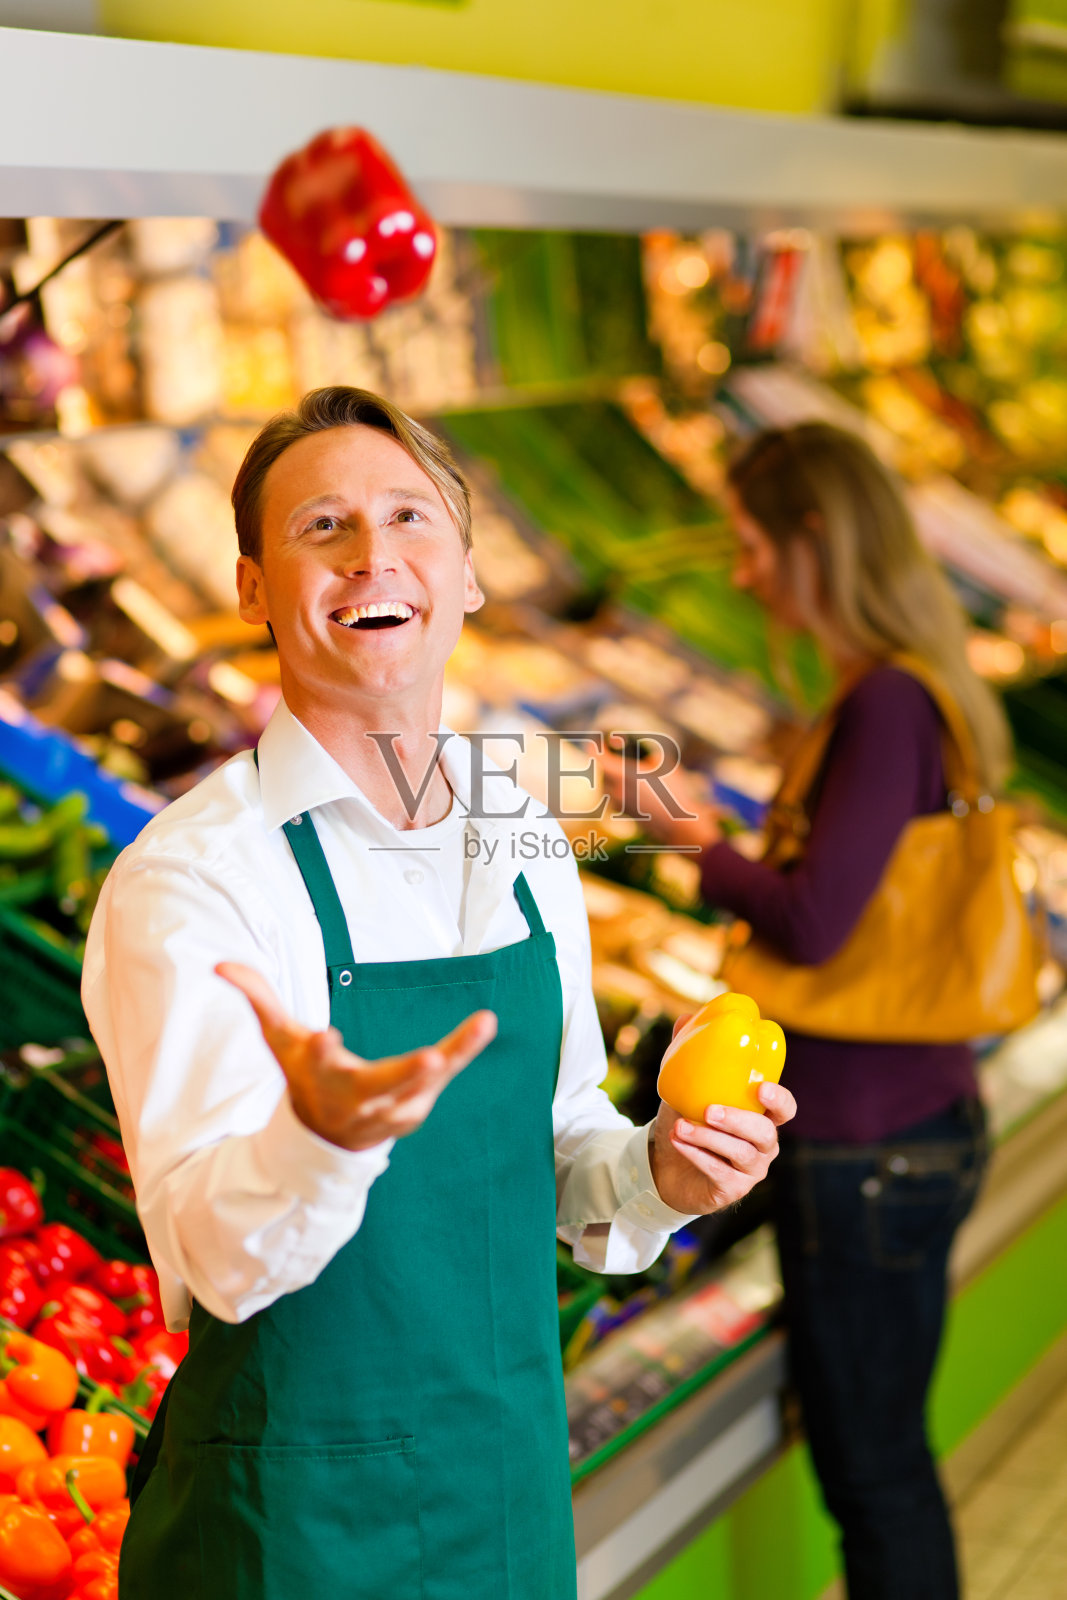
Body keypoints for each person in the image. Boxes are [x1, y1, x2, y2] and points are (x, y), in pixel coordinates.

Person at [82, 386, 797, 1600]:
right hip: (290, 1534)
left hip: (504, 1506)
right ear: (253, 589)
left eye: (409, 516)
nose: (372, 554)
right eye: (321, 526)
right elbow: (212, 1258)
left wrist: (661, 1171)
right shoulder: (196, 878)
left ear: (466, 575)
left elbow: (556, 1145)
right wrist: (318, 1138)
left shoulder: (521, 839)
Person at [602, 422, 1004, 1600]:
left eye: (750, 544)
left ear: (814, 538)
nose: (741, 575)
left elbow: (815, 920)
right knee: (878, 1457)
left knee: (873, 1471)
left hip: (869, 1142)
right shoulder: (911, 688)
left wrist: (687, 836)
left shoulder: (884, 702)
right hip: (905, 1122)